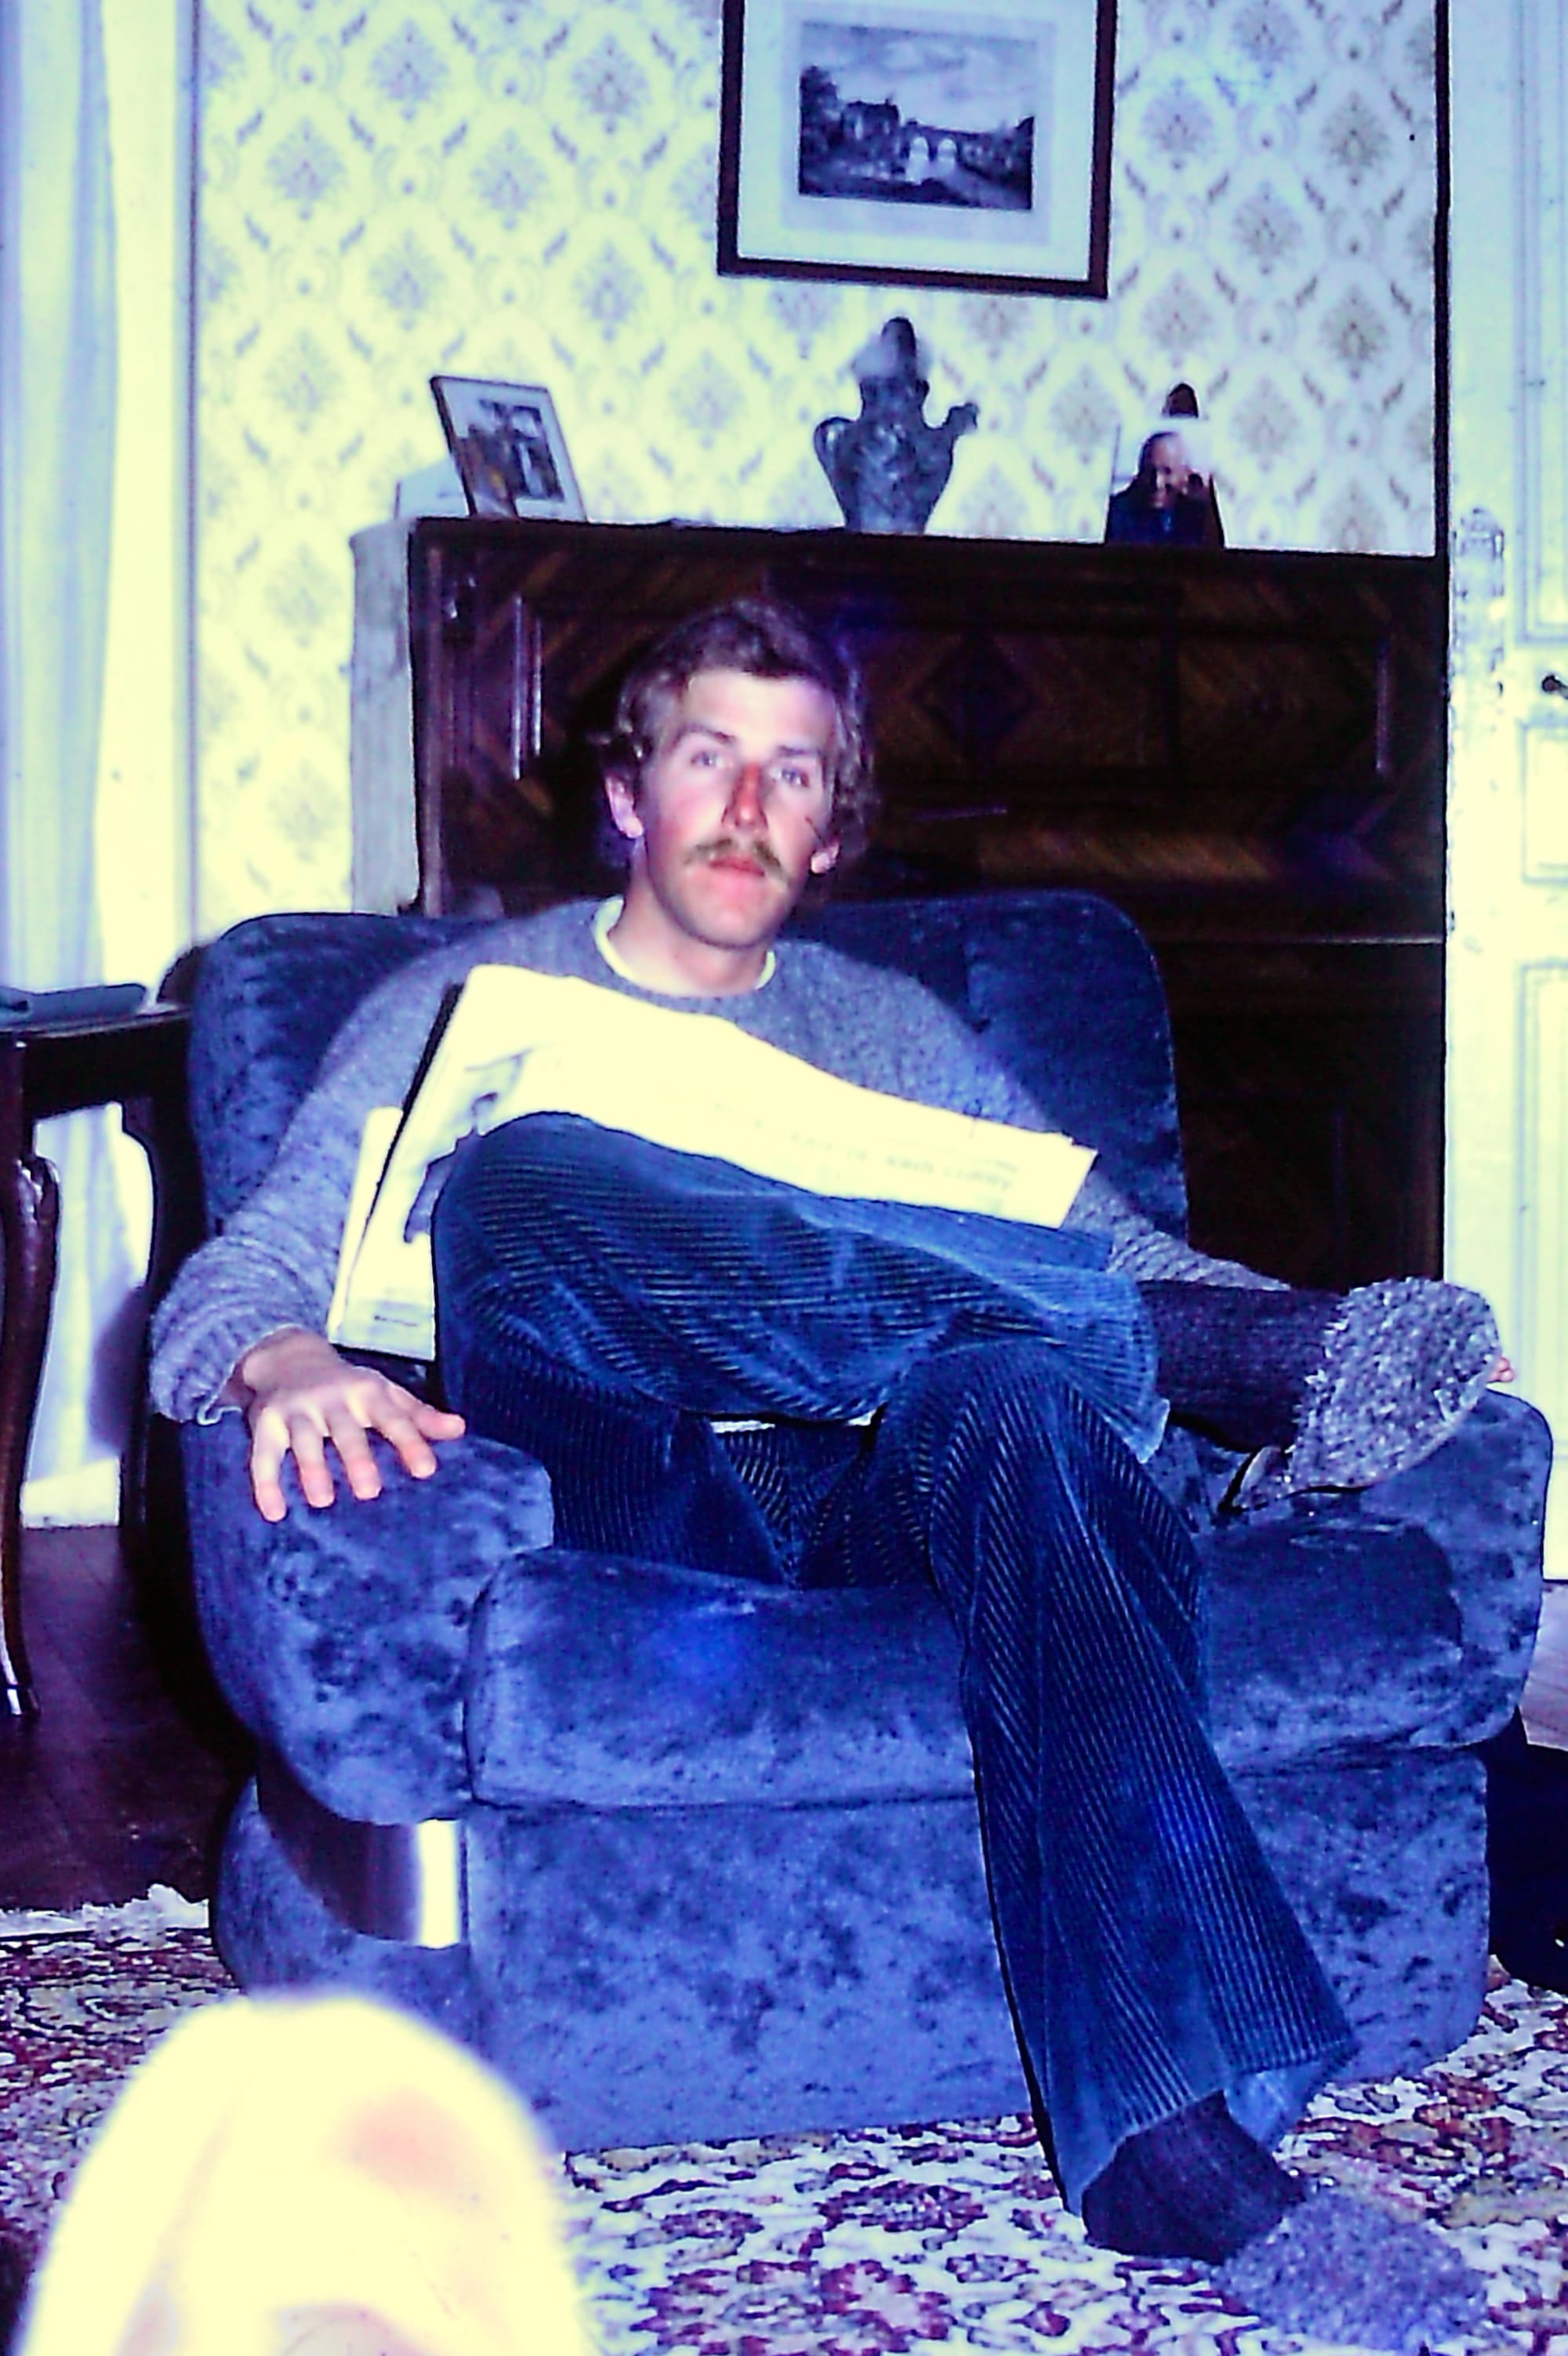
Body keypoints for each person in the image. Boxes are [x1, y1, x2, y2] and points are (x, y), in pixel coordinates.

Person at [149, 601, 1498, 2314]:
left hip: (871, 1489)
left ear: (832, 828)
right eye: (707, 756)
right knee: (528, 1170)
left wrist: (1321, 1350)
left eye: (792, 774)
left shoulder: (894, 1035)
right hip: (626, 1495)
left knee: (1017, 1396)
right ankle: (1186, 1362)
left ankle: (1176, 2147)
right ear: (628, 796)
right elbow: (241, 1276)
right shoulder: (464, 1003)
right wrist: (279, 1360)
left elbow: (1115, 1244)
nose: (745, 806)